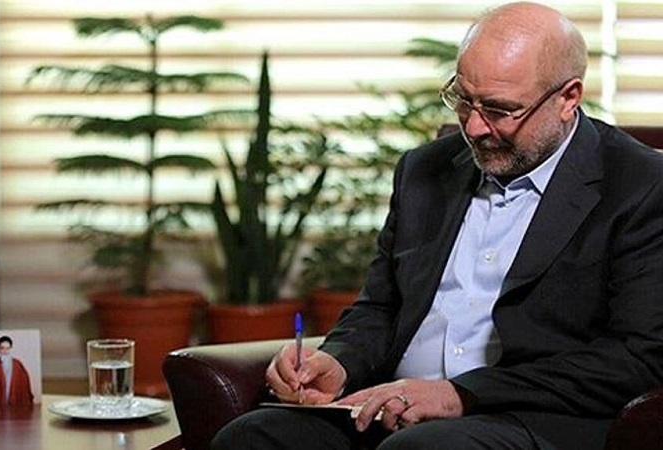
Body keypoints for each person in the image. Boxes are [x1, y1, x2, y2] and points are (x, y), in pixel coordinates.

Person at [211, 2, 663, 450]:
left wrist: (462, 394)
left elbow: (637, 357)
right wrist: (339, 362)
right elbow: (381, 307)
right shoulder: (422, 171)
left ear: (568, 98)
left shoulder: (641, 186)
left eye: (499, 109)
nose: (474, 127)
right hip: (390, 409)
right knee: (252, 437)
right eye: (464, 100)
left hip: (528, 417)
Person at [0, 335, 35, 406]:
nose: (5, 351)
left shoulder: (17, 364)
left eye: (8, 348)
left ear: (11, 348)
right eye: (2, 348)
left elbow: (25, 383)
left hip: (15, 398)